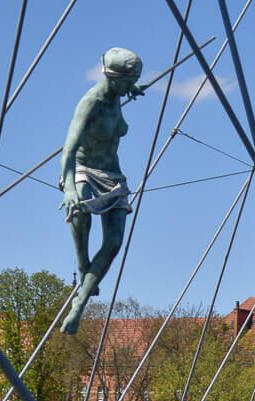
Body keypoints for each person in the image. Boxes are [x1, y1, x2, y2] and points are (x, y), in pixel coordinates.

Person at [59, 47, 145, 335]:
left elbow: (125, 92)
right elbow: (68, 151)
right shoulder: (91, 103)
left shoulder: (118, 95)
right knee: (79, 212)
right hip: (84, 170)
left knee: (115, 241)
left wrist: (135, 88)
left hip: (113, 175)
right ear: (113, 77)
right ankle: (83, 264)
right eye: (128, 80)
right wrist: (69, 188)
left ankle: (79, 303)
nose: (129, 86)